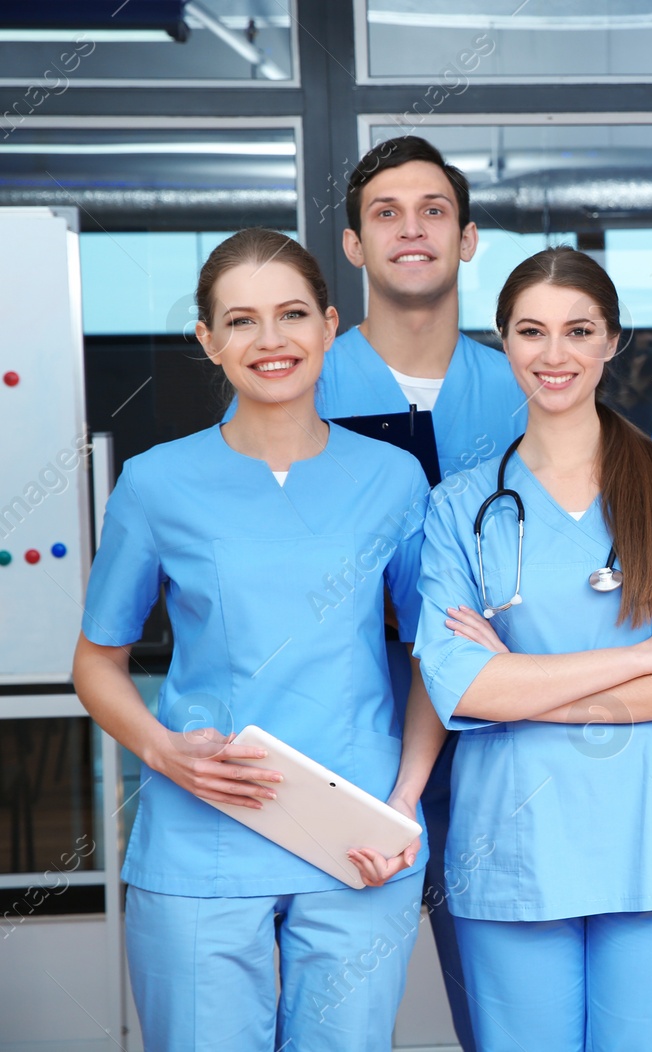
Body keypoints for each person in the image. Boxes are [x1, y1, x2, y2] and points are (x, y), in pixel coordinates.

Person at [73, 229, 445, 1051]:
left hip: (355, 833)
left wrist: (403, 805)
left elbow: (433, 656)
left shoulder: (393, 477)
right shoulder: (156, 482)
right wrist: (164, 753)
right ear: (206, 341)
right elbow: (96, 661)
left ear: (328, 326)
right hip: (202, 830)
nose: (270, 341)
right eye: (241, 322)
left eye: (292, 315)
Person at [415, 247, 652, 1051]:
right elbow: (460, 687)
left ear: (612, 341)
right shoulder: (461, 504)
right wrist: (647, 652)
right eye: (531, 332)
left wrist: (525, 686)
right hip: (514, 847)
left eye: (578, 331)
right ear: (502, 342)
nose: (553, 354)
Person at [331, 134, 527, 1050]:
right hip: (346, 731)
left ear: (470, 238)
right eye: (385, 213)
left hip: (505, 734)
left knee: (508, 1007)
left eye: (434, 211)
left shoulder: (533, 384)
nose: (411, 231)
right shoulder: (298, 378)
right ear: (353, 246)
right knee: (332, 1004)